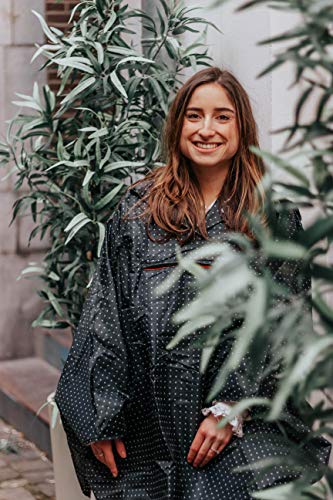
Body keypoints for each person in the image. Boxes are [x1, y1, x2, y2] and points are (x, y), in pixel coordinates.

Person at [55, 67, 330, 500]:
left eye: (222, 117)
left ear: (242, 128)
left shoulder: (273, 219)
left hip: (239, 429)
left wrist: (233, 408)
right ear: (177, 125)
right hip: (149, 426)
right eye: (194, 116)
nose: (206, 129)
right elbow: (105, 316)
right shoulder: (138, 212)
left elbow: (285, 329)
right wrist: (99, 417)